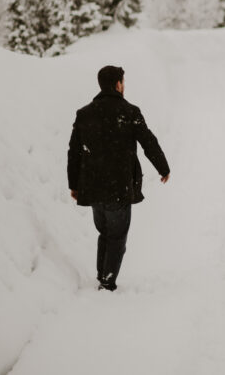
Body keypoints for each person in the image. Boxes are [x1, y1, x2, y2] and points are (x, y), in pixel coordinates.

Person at [67, 65, 170, 291]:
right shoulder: (129, 112)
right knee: (117, 235)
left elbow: (73, 152)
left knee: (104, 232)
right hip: (118, 187)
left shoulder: (84, 114)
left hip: (93, 188)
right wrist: (163, 168)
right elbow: (148, 142)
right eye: (123, 82)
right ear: (118, 84)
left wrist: (73, 185)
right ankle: (107, 281)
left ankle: (102, 276)